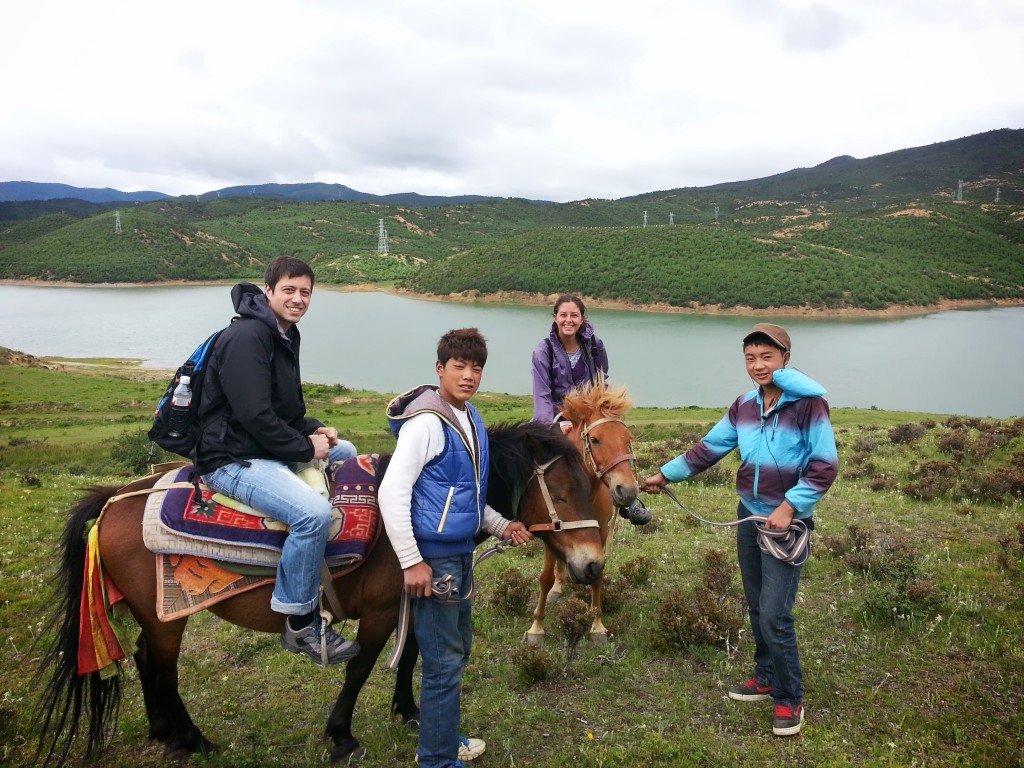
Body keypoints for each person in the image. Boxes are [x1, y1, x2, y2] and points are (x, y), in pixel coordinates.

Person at [640, 323, 838, 737]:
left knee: (776, 614)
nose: (757, 365)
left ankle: (789, 698)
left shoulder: (809, 406)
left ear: (785, 358)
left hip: (786, 522)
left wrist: (790, 506)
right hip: (749, 516)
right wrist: (665, 474)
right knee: (756, 604)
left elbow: (824, 465)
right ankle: (765, 677)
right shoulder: (744, 405)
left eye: (767, 356)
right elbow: (708, 449)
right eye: (750, 358)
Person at [379, 328, 534, 768]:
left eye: (476, 368)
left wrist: (502, 525)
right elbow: (392, 493)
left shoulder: (469, 418)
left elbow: (466, 494)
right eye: (459, 367)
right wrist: (411, 561)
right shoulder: (427, 424)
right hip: (436, 558)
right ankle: (437, 759)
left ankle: (442, 737)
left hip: (460, 553)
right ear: (439, 369)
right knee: (444, 662)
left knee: (455, 651)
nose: (468, 375)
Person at [195, 256, 360, 665]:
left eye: (305, 292)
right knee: (312, 514)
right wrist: (305, 449)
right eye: (289, 290)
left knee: (349, 452)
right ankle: (300, 621)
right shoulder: (249, 337)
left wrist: (317, 428)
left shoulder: (285, 334)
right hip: (231, 457)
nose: (298, 298)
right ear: (267, 291)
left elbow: (283, 411)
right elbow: (254, 415)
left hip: (262, 446)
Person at [530, 294, 650, 525]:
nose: (568, 320)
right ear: (554, 317)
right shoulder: (543, 351)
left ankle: (628, 501)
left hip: (592, 412)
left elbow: (601, 381)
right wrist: (550, 428)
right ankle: (530, 506)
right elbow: (542, 394)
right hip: (558, 416)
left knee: (615, 443)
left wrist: (607, 412)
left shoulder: (594, 345)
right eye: (563, 315)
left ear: (582, 318)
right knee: (535, 460)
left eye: (574, 315)